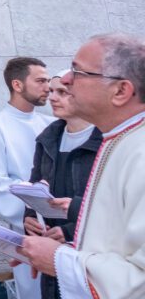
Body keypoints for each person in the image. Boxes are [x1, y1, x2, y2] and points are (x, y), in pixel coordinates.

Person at [18, 33, 145, 299]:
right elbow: (114, 241)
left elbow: (139, 279)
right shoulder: (118, 138)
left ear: (121, 91)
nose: (64, 79)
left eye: (78, 72)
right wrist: (52, 251)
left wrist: (59, 260)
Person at [0, 57, 52, 299]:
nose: (48, 87)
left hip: (62, 225)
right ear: (17, 85)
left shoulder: (52, 124)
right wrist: (31, 212)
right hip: (29, 228)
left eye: (49, 81)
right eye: (40, 81)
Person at [22, 72, 101, 299]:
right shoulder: (48, 138)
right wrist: (29, 217)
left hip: (90, 249)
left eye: (62, 92)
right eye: (52, 91)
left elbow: (109, 202)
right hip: (51, 245)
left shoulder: (103, 139)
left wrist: (68, 231)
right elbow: (36, 184)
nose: (52, 97)